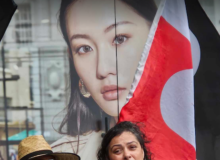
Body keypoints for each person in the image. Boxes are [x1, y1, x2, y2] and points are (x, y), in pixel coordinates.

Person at [51, 0, 157, 159]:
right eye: (84, 48)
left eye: (120, 38)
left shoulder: (197, 142)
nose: (102, 69)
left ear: (155, 37)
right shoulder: (67, 154)